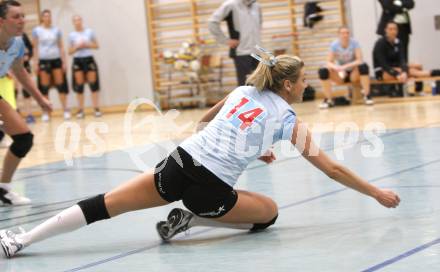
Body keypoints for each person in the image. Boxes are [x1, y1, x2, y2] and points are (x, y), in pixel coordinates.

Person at [0, 47, 400, 258]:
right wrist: (376, 193)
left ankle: (20, 241)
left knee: (106, 204)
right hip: (209, 189)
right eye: (303, 81)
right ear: (289, 85)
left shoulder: (243, 90)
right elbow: (331, 169)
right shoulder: (287, 117)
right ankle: (190, 218)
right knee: (269, 213)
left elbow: (206, 122)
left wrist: (247, 145)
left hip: (179, 161)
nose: (305, 85)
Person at [0, 0, 52, 206]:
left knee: (23, 138)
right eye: (16, 16)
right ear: (1, 21)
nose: (22, 20)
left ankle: (3, 189)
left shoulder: (17, 43)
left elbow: (21, 72)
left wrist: (41, 100)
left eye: (23, 16)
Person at [373, 21, 440, 94]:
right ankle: (435, 72)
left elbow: (402, 60)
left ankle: (418, 90)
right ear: (385, 30)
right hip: (383, 71)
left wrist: (404, 72)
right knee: (413, 72)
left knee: (418, 66)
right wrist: (397, 74)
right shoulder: (380, 44)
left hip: (396, 66)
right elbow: (383, 64)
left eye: (395, 29)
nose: (393, 31)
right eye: (390, 29)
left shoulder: (398, 42)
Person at [208, 0, 262, 86]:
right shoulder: (231, 5)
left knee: (261, 85)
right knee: (245, 87)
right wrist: (225, 40)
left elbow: (258, 26)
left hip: (257, 52)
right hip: (242, 53)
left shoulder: (257, 6)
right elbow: (212, 22)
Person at [318, 26, 373, 109]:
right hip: (341, 74)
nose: (345, 35)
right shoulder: (334, 45)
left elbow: (359, 60)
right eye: (343, 33)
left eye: (347, 33)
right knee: (323, 71)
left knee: (363, 66)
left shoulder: (354, 43)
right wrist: (337, 67)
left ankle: (367, 95)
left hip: (353, 73)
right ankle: (328, 99)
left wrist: (345, 66)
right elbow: (329, 62)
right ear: (338, 35)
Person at [32, 9, 69, 122]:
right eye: (45, 16)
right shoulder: (37, 30)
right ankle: (46, 112)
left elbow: (61, 46)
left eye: (49, 16)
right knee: (44, 88)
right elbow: (35, 47)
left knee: (61, 85)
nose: (48, 18)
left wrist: (64, 61)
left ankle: (65, 110)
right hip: (43, 61)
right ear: (42, 18)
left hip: (56, 60)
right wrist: (35, 63)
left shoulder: (56, 30)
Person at [68, 15, 102, 119]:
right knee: (79, 86)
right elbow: (69, 51)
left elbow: (97, 45)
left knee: (93, 85)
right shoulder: (71, 35)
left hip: (88, 59)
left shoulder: (89, 32)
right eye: (75, 20)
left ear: (81, 21)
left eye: (79, 20)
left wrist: (87, 45)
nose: (77, 22)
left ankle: (96, 108)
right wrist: (77, 47)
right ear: (73, 23)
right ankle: (80, 110)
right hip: (78, 60)